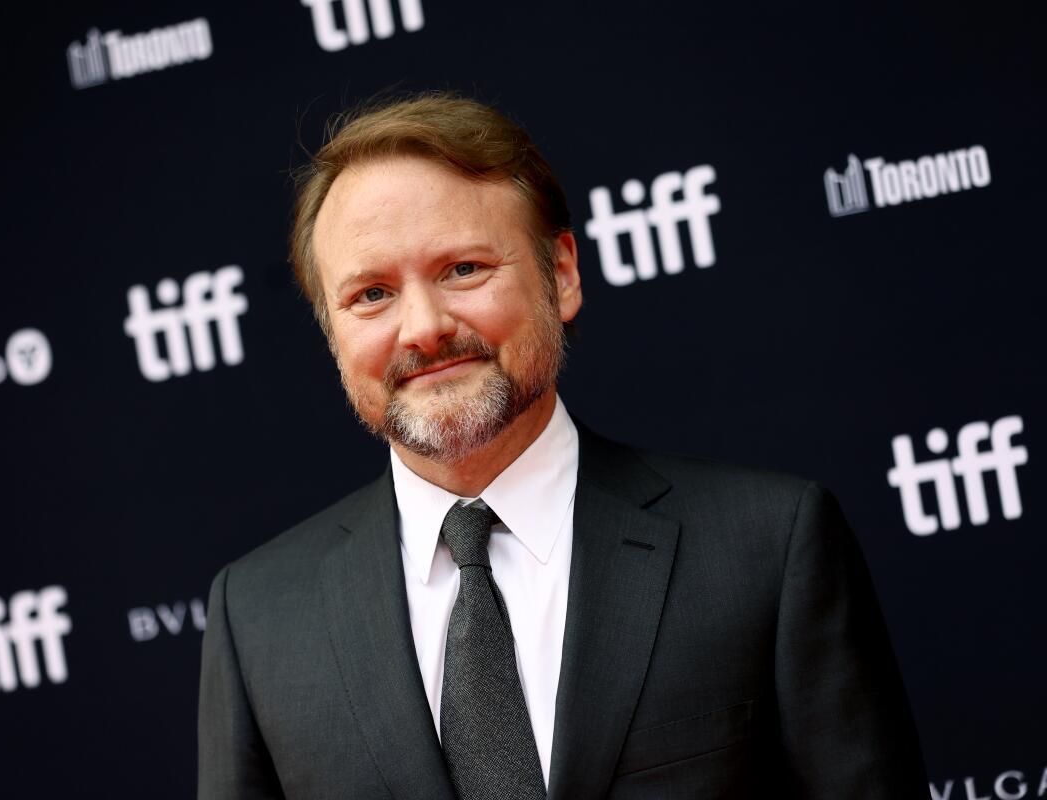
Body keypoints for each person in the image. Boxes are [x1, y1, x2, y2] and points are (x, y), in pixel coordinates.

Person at [197, 92, 927, 799]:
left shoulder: (768, 547)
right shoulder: (257, 617)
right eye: (371, 295)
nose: (422, 327)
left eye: (463, 269)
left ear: (564, 274)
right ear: (332, 331)